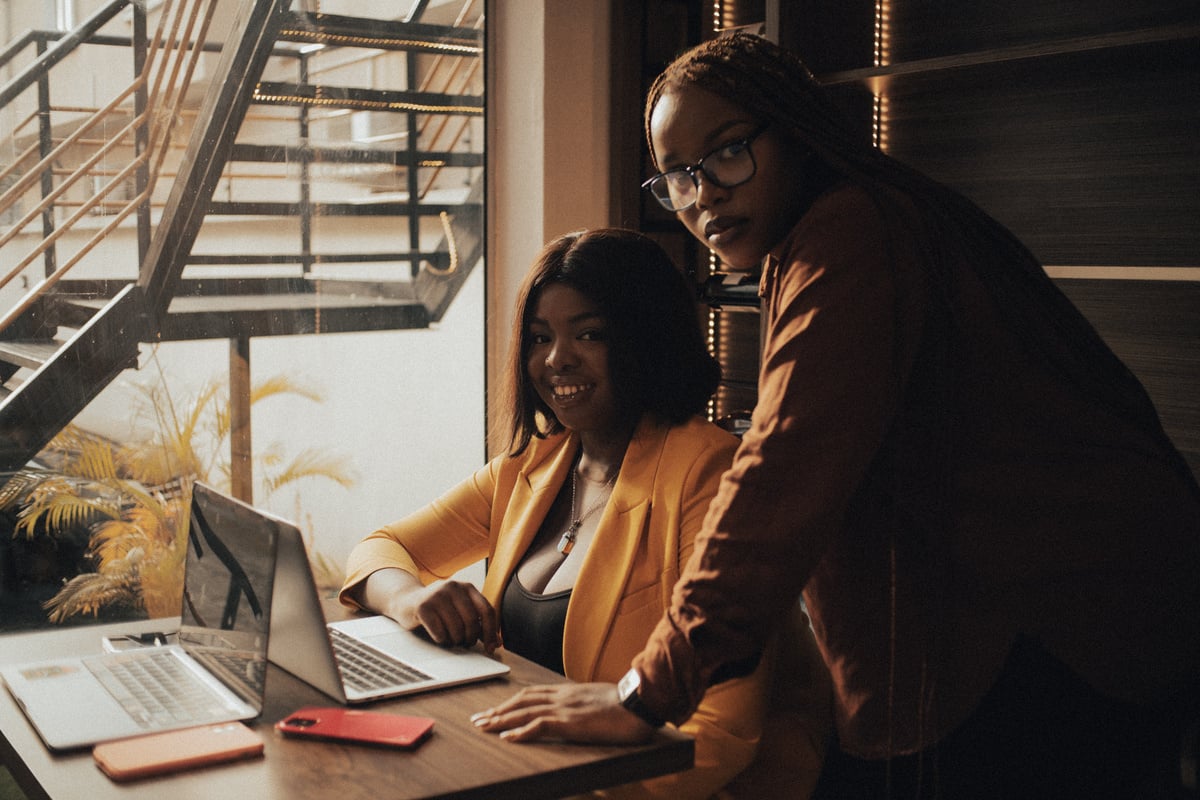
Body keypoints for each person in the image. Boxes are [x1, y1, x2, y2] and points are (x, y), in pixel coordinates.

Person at [469, 32, 1200, 799]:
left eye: (726, 153)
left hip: (1072, 624)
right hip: (1059, 617)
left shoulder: (853, 231)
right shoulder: (828, 238)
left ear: (795, 131)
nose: (703, 195)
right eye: (676, 177)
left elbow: (783, 468)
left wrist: (646, 692)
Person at [339, 228, 831, 799]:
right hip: (525, 768)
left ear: (646, 339)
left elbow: (719, 736)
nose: (556, 360)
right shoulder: (532, 466)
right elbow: (378, 548)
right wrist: (409, 597)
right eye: (539, 337)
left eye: (590, 334)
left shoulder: (710, 474)